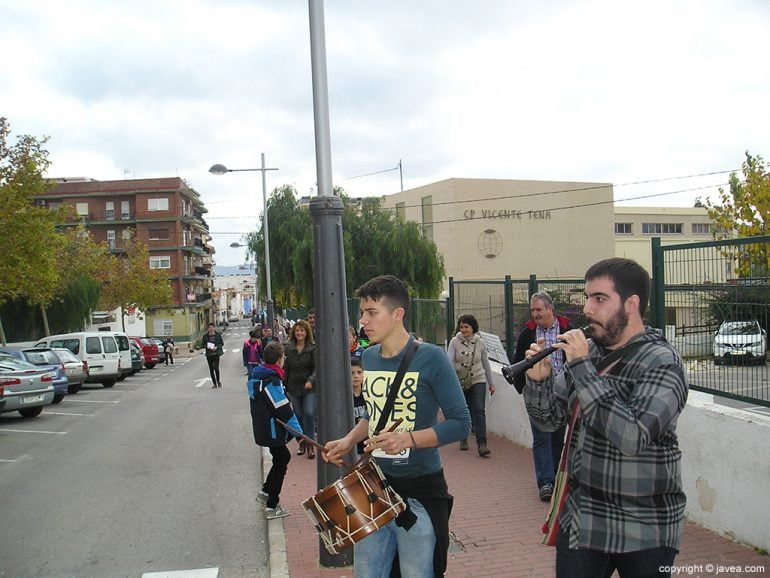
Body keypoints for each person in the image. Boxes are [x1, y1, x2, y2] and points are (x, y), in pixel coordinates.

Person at [522, 258, 688, 577]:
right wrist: (540, 381)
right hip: (584, 519)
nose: (587, 309)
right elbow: (549, 421)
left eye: (599, 299)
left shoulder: (662, 362)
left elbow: (631, 437)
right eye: (586, 298)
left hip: (645, 528)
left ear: (631, 304)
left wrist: (581, 367)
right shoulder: (592, 353)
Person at [324, 275, 471, 578]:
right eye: (362, 312)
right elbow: (374, 415)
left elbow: (461, 424)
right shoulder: (368, 357)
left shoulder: (432, 358)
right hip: (375, 488)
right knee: (367, 574)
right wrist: (349, 440)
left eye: (372, 312)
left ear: (397, 314)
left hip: (420, 492)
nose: (363, 320)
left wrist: (409, 440)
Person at [512, 292, 572, 501]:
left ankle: (555, 477)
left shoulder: (567, 330)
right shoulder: (528, 333)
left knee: (557, 437)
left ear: (550, 309)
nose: (535, 314)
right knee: (541, 438)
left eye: (538, 310)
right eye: (532, 310)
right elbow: (517, 361)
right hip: (537, 393)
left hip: (562, 394)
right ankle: (545, 482)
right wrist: (523, 390)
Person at [249, 341, 302, 520]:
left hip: (264, 428)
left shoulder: (259, 376)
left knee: (281, 458)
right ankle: (272, 504)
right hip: (271, 431)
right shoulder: (271, 381)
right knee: (282, 458)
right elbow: (283, 409)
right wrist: (299, 435)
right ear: (280, 360)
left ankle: (266, 491)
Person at [447, 314, 496, 457]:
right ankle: (463, 437)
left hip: (478, 378)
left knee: (479, 409)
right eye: (461, 327)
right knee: (465, 409)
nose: (463, 330)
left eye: (466, 327)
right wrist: (450, 382)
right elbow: (449, 361)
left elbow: (486, 363)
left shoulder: (480, 342)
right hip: (460, 380)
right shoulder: (454, 342)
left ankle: (482, 444)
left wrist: (491, 383)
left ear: (473, 327)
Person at [283, 319, 317, 459]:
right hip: (293, 387)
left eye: (302, 330)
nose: (299, 333)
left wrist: (310, 380)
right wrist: (284, 385)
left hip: (309, 387)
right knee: (298, 415)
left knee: (309, 413)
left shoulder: (312, 348)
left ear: (306, 332)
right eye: (297, 330)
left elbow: (316, 368)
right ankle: (301, 442)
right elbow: (287, 368)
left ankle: (310, 444)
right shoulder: (289, 348)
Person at [350, 357, 367, 457]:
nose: (356, 376)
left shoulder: (369, 394)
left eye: (359, 372)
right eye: (352, 373)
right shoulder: (344, 398)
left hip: (368, 442)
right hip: (353, 444)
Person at [201, 322, 224, 388]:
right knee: (211, 369)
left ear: (214, 328)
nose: (211, 329)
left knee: (216, 368)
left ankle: (218, 381)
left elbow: (221, 343)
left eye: (212, 327)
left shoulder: (218, 335)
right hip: (209, 354)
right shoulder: (205, 336)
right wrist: (207, 346)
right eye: (209, 327)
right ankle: (214, 383)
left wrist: (216, 347)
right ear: (208, 329)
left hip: (216, 354)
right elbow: (203, 345)